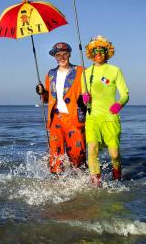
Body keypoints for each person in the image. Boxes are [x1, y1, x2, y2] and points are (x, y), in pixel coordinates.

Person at [82, 35, 129, 186]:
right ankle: (96, 183)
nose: (98, 54)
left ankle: (117, 175)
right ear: (91, 53)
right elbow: (84, 94)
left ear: (107, 52)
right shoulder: (86, 73)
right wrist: (84, 98)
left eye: (101, 50)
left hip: (110, 118)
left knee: (114, 154)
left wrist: (119, 104)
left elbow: (125, 94)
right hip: (92, 118)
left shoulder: (115, 70)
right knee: (92, 149)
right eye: (95, 50)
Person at [36, 42, 86, 174]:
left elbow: (89, 92)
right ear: (54, 57)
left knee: (77, 153)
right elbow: (47, 99)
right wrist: (42, 92)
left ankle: (81, 181)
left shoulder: (81, 71)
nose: (62, 57)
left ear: (69, 54)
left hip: (74, 117)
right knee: (55, 154)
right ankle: (56, 182)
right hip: (55, 119)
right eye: (58, 55)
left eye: (65, 54)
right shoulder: (50, 74)